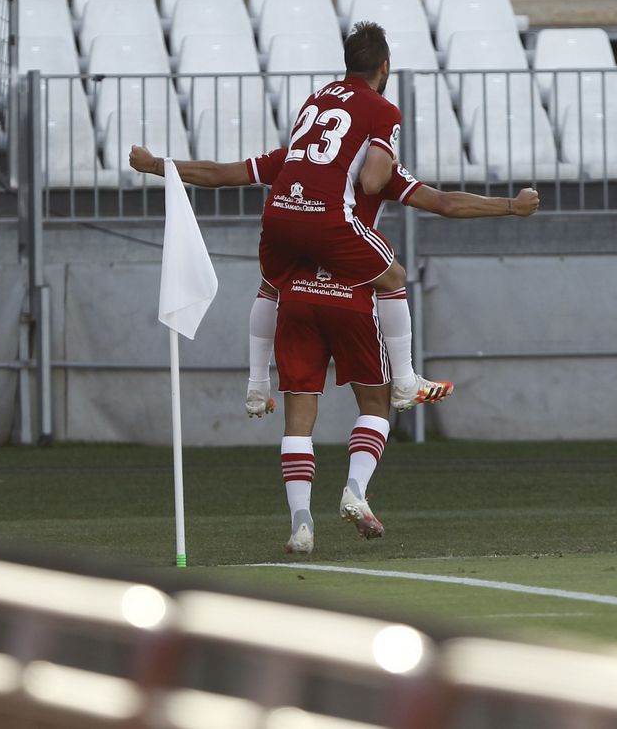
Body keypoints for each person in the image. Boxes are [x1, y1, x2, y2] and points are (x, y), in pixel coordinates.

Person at [130, 143, 539, 552]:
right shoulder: (377, 172)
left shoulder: (295, 160)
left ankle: (301, 523)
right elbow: (446, 202)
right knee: (376, 401)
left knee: (298, 419)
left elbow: (220, 173)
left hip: (297, 298)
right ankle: (362, 475)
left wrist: (156, 166)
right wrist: (511, 205)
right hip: (352, 295)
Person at [254, 21, 451, 415]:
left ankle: (256, 386)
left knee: (269, 287)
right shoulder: (382, 109)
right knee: (393, 277)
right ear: (385, 66)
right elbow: (374, 181)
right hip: (331, 233)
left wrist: (163, 166)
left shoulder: (316, 98)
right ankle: (406, 381)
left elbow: (225, 173)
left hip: (280, 213)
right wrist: (387, 159)